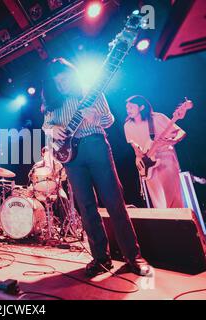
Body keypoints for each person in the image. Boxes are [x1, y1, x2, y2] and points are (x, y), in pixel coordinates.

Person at [41, 58, 151, 277]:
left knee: (114, 201)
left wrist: (96, 117)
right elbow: (46, 124)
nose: (62, 86)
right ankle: (101, 258)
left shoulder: (92, 92)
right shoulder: (53, 102)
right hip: (71, 156)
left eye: (64, 80)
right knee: (86, 207)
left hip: (95, 145)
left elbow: (109, 119)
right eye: (57, 83)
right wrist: (52, 130)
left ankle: (134, 256)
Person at [124, 95, 187, 208]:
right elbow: (134, 146)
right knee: (159, 204)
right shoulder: (127, 126)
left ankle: (179, 223)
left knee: (173, 200)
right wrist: (139, 156)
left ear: (142, 107)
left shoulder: (157, 117)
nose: (128, 111)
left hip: (166, 160)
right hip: (148, 165)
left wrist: (172, 141)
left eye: (131, 107)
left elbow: (180, 132)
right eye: (127, 108)